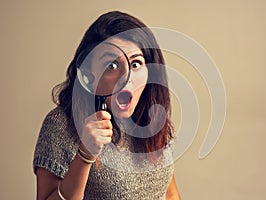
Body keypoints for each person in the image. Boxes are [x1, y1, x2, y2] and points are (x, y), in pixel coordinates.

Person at [33, 11, 181, 200]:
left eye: (136, 64)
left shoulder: (151, 118)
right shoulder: (61, 125)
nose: (125, 79)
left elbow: (169, 194)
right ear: (88, 73)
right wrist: (86, 154)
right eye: (111, 65)